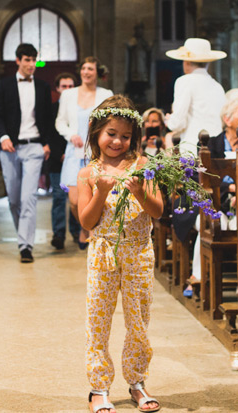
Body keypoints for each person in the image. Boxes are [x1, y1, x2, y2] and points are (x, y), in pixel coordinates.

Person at [77, 95, 163, 413]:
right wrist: (100, 191)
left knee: (138, 321)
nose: (117, 141)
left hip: (138, 253)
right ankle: (98, 387)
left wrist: (141, 192)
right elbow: (86, 221)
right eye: (111, 133)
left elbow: (157, 211)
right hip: (103, 252)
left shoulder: (142, 166)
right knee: (98, 320)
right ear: (96, 132)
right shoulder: (89, 173)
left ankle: (137, 382)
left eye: (125, 136)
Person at [183, 89, 238, 297]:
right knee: (209, 223)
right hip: (214, 204)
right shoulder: (210, 145)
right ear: (227, 119)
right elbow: (197, 179)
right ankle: (199, 278)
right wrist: (229, 189)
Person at [0, 43, 52, 263]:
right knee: (14, 200)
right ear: (18, 61)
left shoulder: (43, 87)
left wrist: (46, 143)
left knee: (28, 198)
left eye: (34, 60)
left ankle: (26, 246)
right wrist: (3, 137)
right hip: (10, 148)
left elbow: (47, 118)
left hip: (34, 146)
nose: (31, 64)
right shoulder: (4, 85)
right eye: (26, 60)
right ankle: (22, 235)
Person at [56, 56, 113, 249]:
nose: (86, 72)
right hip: (75, 151)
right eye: (84, 68)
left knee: (97, 195)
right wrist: (71, 134)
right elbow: (60, 121)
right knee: (73, 200)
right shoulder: (68, 95)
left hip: (97, 152)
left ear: (98, 72)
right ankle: (85, 226)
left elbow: (110, 122)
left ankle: (90, 230)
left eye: (90, 69)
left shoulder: (106, 94)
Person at [165, 38, 227, 155]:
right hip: (217, 147)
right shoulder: (218, 86)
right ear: (207, 63)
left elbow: (178, 122)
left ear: (186, 62)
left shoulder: (184, 81)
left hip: (193, 147)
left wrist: (169, 121)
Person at [48, 72, 80, 250]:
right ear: (58, 89)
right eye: (64, 86)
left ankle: (76, 231)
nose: (67, 89)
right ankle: (59, 234)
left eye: (70, 86)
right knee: (59, 197)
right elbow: (49, 134)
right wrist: (59, 153)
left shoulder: (79, 109)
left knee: (76, 197)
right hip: (57, 160)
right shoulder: (52, 109)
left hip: (75, 159)